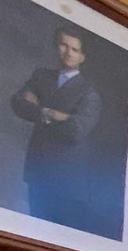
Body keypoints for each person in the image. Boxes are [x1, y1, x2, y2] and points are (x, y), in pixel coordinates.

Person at [8, 26, 101, 227]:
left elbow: (77, 130)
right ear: (56, 47)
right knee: (35, 228)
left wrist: (40, 108)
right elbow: (18, 103)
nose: (68, 52)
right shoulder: (41, 76)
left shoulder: (88, 91)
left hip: (67, 177)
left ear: (82, 56)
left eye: (74, 49)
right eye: (63, 45)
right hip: (37, 168)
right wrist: (53, 114)